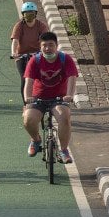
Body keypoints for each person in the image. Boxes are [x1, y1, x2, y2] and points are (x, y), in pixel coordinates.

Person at [23, 31, 78, 164]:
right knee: (28, 120)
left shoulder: (65, 59)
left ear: (56, 45)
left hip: (59, 98)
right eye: (44, 45)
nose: (48, 48)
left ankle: (63, 150)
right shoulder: (34, 60)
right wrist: (27, 97)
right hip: (38, 98)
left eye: (51, 45)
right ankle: (35, 140)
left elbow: (72, 78)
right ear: (40, 47)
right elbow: (28, 82)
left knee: (64, 117)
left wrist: (69, 95)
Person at [10, 1, 49, 103]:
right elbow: (15, 40)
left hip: (38, 54)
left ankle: (44, 99)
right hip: (21, 55)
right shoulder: (19, 26)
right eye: (26, 14)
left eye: (31, 13)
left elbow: (46, 40)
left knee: (43, 76)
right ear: (23, 15)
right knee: (25, 78)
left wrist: (45, 51)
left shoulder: (41, 25)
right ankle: (25, 104)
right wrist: (14, 53)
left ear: (35, 14)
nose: (29, 16)